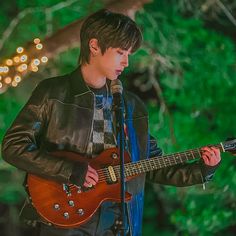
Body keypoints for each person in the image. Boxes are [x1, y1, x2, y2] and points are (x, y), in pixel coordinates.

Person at [1, 9, 221, 236]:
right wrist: (69, 170)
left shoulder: (132, 106)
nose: (126, 62)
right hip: (63, 220)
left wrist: (203, 169)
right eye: (120, 52)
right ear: (94, 46)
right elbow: (13, 146)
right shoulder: (53, 92)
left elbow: (151, 165)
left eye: (129, 54)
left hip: (116, 222)